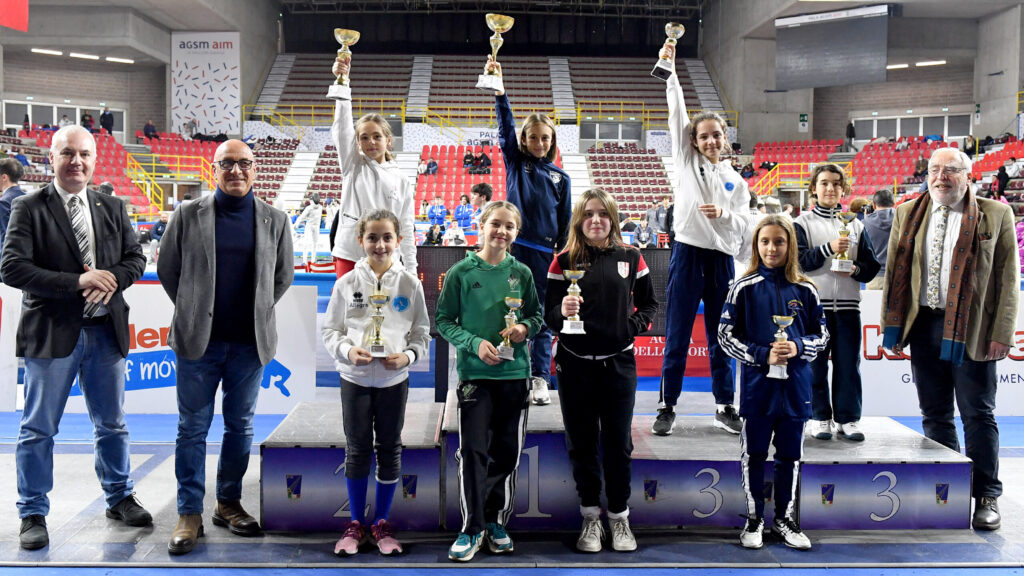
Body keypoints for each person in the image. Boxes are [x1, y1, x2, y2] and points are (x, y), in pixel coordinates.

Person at [0, 125, 150, 551]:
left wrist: (112, 279)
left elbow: (134, 258)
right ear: (52, 158)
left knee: (112, 424)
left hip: (105, 333)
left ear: (95, 160)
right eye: (68, 153)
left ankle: (119, 496)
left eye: (84, 154)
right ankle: (32, 511)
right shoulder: (29, 207)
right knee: (38, 429)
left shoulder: (111, 206)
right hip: (52, 333)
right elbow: (11, 267)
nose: (77, 162)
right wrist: (78, 281)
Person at [157, 139, 294, 555]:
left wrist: (255, 312)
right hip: (199, 344)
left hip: (249, 345)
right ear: (213, 169)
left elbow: (282, 276)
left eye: (244, 163)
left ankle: (228, 503)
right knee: (192, 428)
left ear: (255, 170)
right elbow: (168, 269)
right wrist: (195, 310)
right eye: (227, 164)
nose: (236, 171)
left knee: (241, 426)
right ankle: (189, 512)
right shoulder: (187, 214)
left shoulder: (275, 219)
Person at [882, 147, 1017, 532]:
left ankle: (986, 494)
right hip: (924, 325)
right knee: (934, 414)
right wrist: (892, 326)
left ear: (968, 176)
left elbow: (1008, 278)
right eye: (934, 170)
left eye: (951, 170)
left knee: (978, 414)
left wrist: (1002, 332)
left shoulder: (996, 213)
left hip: (973, 329)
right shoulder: (907, 213)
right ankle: (948, 492)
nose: (941, 177)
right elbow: (894, 272)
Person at [545, 188, 657, 554]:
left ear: (613, 218)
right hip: (574, 365)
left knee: (618, 443)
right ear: (579, 219)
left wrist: (630, 328)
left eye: (603, 214)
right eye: (589, 214)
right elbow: (548, 317)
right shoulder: (563, 261)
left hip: (618, 365)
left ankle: (620, 517)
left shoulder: (631, 257)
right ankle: (590, 516)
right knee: (581, 443)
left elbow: (650, 305)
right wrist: (562, 312)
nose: (596, 220)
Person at [653, 41, 754, 436]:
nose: (710, 141)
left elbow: (744, 225)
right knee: (677, 335)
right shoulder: (686, 161)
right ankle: (667, 406)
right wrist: (671, 71)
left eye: (716, 135)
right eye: (704, 136)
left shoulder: (737, 181)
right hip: (687, 255)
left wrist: (724, 215)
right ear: (693, 141)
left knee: (721, 337)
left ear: (725, 138)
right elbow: (677, 111)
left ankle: (725, 405)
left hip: (722, 262)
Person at [435, 201, 543, 562]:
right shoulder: (461, 272)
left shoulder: (522, 273)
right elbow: (444, 320)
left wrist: (524, 327)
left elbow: (536, 316)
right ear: (482, 225)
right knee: (474, 452)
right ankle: (472, 527)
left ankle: (495, 521)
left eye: (509, 226)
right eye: (495, 224)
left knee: (507, 453)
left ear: (517, 232)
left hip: (514, 375)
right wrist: (474, 343)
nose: (502, 231)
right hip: (475, 377)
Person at [322, 209, 430, 557]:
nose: (380, 245)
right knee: (357, 449)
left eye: (387, 238)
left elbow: (422, 333)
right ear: (361, 241)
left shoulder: (410, 285)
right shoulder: (346, 284)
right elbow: (331, 330)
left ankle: (381, 522)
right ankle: (355, 523)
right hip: (353, 379)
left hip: (393, 381)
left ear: (399, 241)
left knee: (389, 448)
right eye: (372, 238)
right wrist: (347, 351)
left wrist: (408, 357)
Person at [719, 215, 828, 551]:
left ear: (790, 245)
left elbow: (823, 335)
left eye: (779, 241)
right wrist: (761, 354)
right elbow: (724, 336)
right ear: (756, 245)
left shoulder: (806, 289)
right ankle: (754, 519)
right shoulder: (743, 287)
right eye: (765, 241)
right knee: (754, 454)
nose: (771, 248)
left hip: (796, 388)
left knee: (790, 456)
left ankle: (785, 519)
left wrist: (798, 347)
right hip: (758, 389)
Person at [488, 54, 571, 406]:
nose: (539, 143)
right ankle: (508, 371)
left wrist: (560, 255)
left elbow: (565, 221)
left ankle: (540, 378)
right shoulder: (515, 161)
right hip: (512, 248)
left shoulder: (561, 177)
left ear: (552, 141)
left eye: (544, 138)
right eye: (533, 137)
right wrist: (500, 93)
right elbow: (505, 127)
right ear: (524, 140)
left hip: (543, 255)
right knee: (507, 309)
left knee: (540, 316)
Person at [794, 165, 879, 442]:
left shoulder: (856, 225)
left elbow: (871, 266)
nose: (830, 188)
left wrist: (855, 269)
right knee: (815, 365)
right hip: (813, 308)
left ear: (844, 189)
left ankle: (848, 418)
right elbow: (799, 262)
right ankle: (819, 417)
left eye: (836, 183)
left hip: (848, 307)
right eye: (824, 183)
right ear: (813, 188)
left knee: (848, 365)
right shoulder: (802, 223)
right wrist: (829, 248)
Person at [329, 58, 416, 278]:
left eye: (377, 136)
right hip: (350, 254)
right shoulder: (353, 165)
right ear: (357, 142)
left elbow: (406, 227)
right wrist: (343, 83)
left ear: (389, 140)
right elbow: (342, 128)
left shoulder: (402, 180)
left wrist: (412, 269)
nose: (371, 142)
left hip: (387, 257)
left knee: (384, 303)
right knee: (348, 302)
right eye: (364, 137)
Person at [863, 189, 895, 290]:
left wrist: (866, 219)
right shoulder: (903, 219)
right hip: (897, 276)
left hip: (874, 276)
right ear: (894, 203)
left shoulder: (864, 223)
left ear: (874, 204)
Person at [0, 157, 27, 267]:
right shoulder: (29, 198)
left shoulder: (3, 202)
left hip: (11, 263)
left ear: (4, 177)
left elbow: (5, 239)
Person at [294, 193, 324, 265]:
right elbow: (302, 217)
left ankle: (313, 260)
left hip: (316, 227)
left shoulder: (320, 207)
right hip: (309, 226)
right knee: (306, 243)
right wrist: (297, 223)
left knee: (315, 244)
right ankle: (304, 261)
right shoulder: (309, 208)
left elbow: (303, 217)